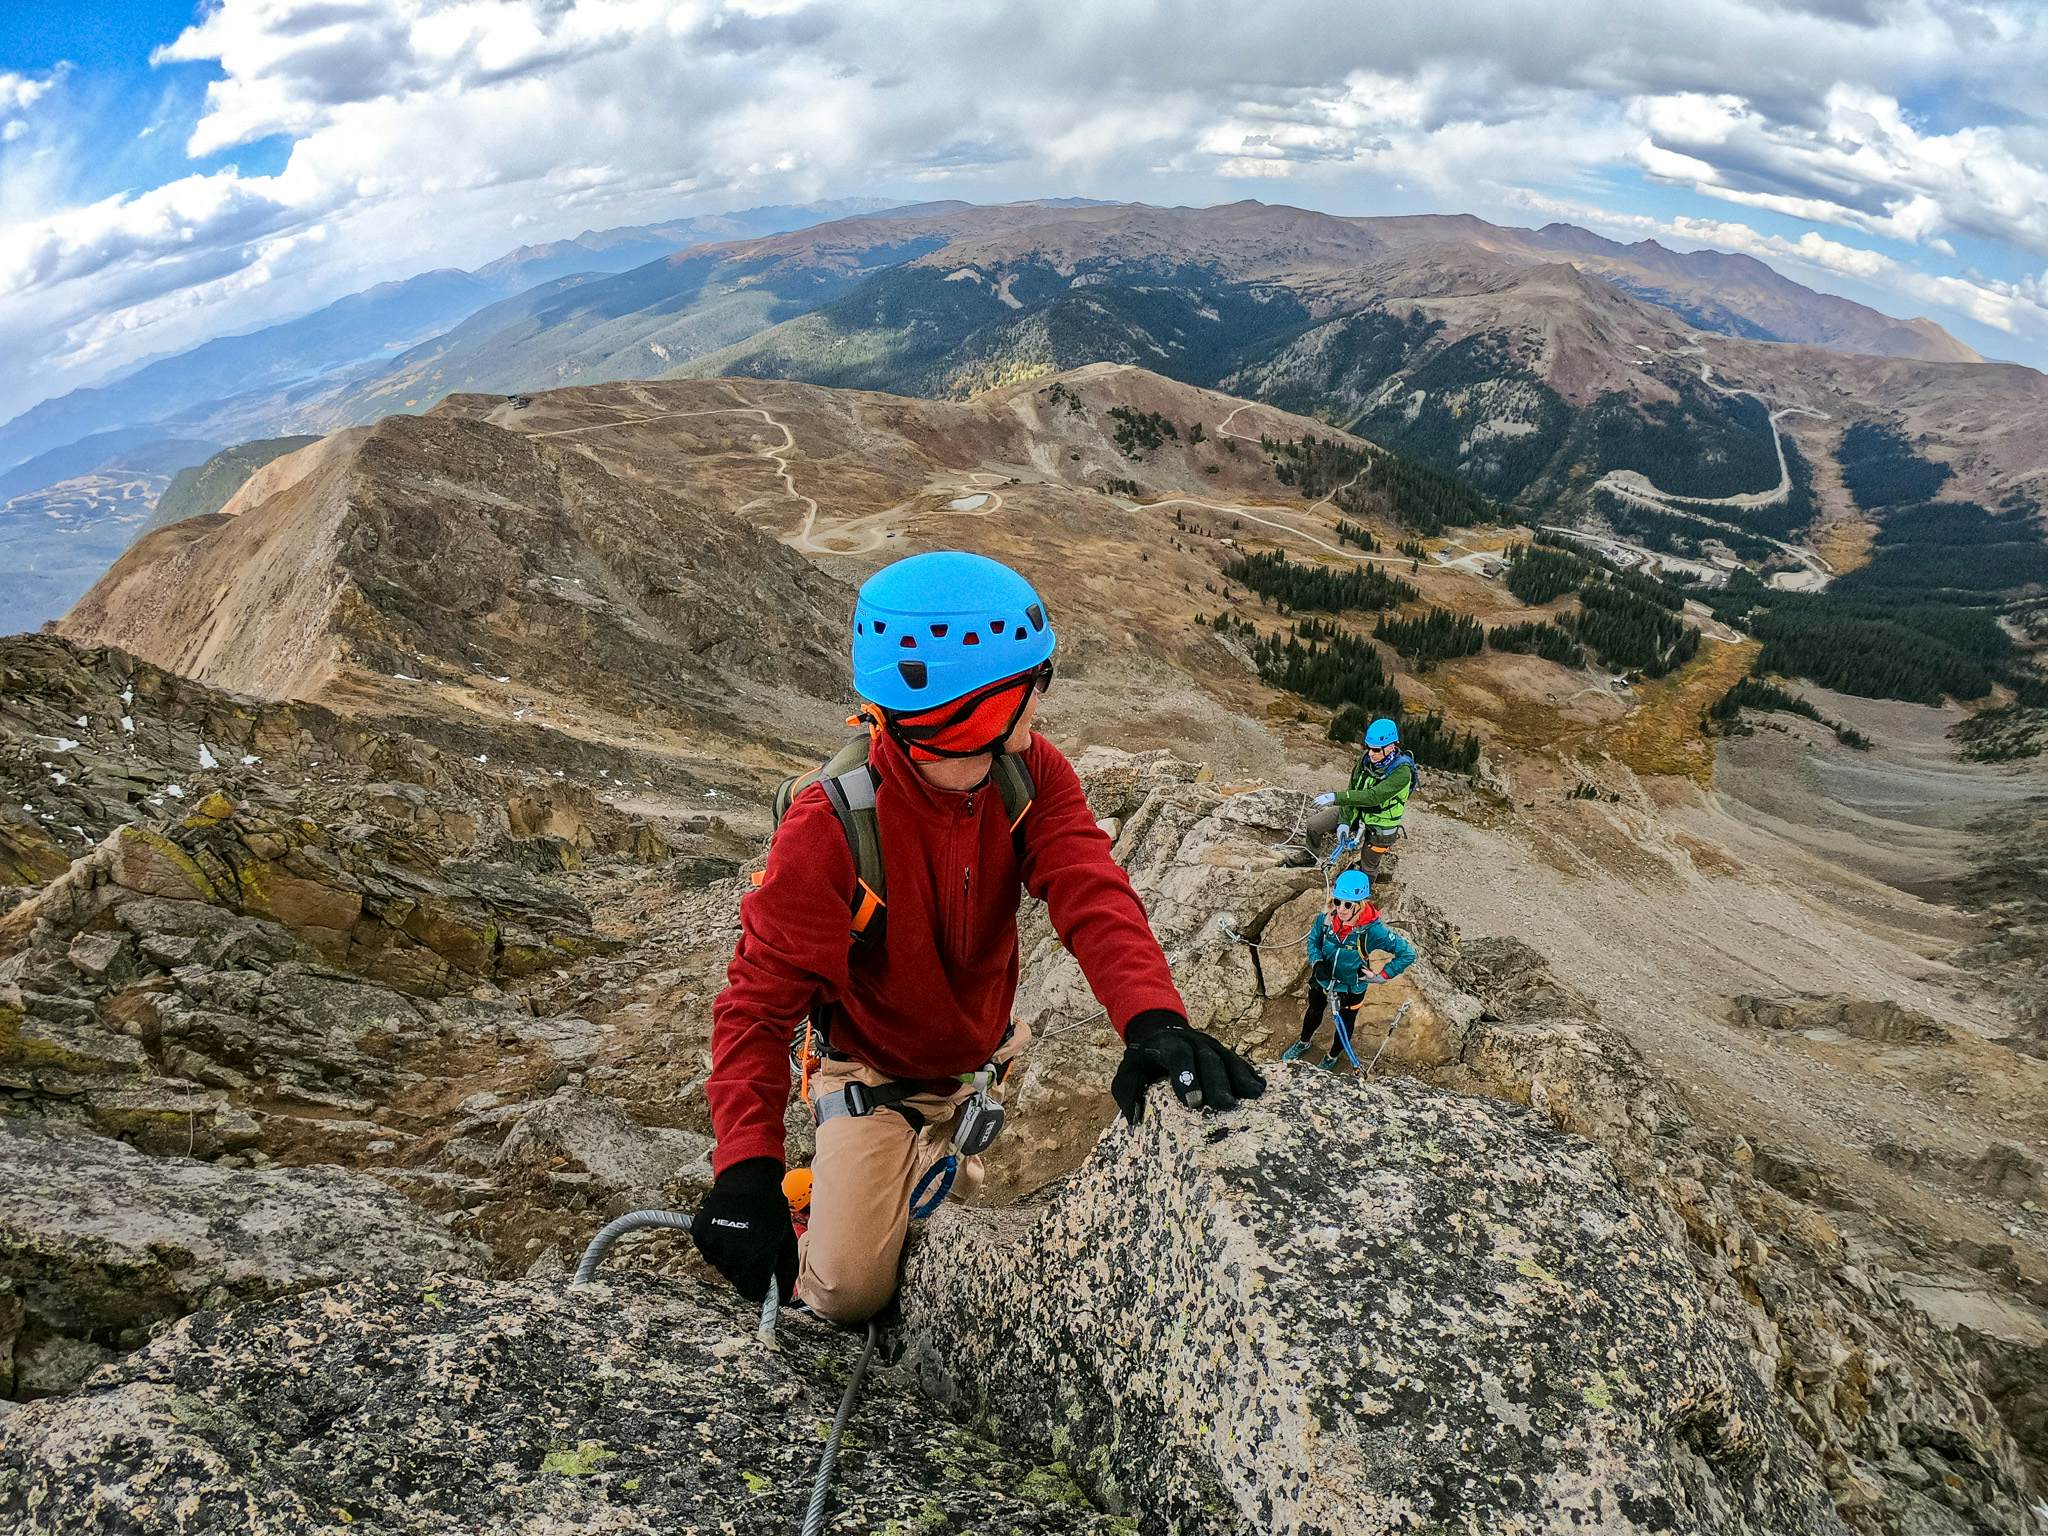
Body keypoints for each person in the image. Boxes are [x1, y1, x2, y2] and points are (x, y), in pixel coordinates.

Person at [692, 550, 1266, 1326]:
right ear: (973, 708)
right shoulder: (828, 830)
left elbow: (1090, 890)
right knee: (848, 1294)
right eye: (1035, 678)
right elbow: (755, 1010)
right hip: (873, 1074)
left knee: (949, 1215)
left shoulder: (1029, 776)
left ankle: (904, 1170)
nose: (1044, 698)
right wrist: (745, 1173)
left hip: (976, 1063)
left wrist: (1154, 1020)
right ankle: (811, 1202)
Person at [1284, 870, 1416, 1069]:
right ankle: (1304, 1042)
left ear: (1360, 904)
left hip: (1351, 987)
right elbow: (1313, 940)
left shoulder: (1373, 931)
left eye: (1348, 904)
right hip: (1323, 979)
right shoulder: (1327, 918)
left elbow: (1407, 953)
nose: (1341, 909)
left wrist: (1381, 976)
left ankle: (1332, 1056)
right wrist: (1317, 962)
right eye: (1338, 901)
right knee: (1313, 1012)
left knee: (1345, 1024)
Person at [1306, 717, 1417, 875]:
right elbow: (1354, 788)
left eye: (1376, 749)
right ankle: (1309, 856)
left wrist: (1336, 797)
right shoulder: (1366, 760)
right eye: (1368, 747)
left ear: (1391, 746)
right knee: (1314, 825)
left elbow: (1373, 797)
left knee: (1368, 867)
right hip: (1358, 811)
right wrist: (1345, 821)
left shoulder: (1402, 772)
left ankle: (1364, 888)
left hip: (1381, 824)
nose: (1371, 753)